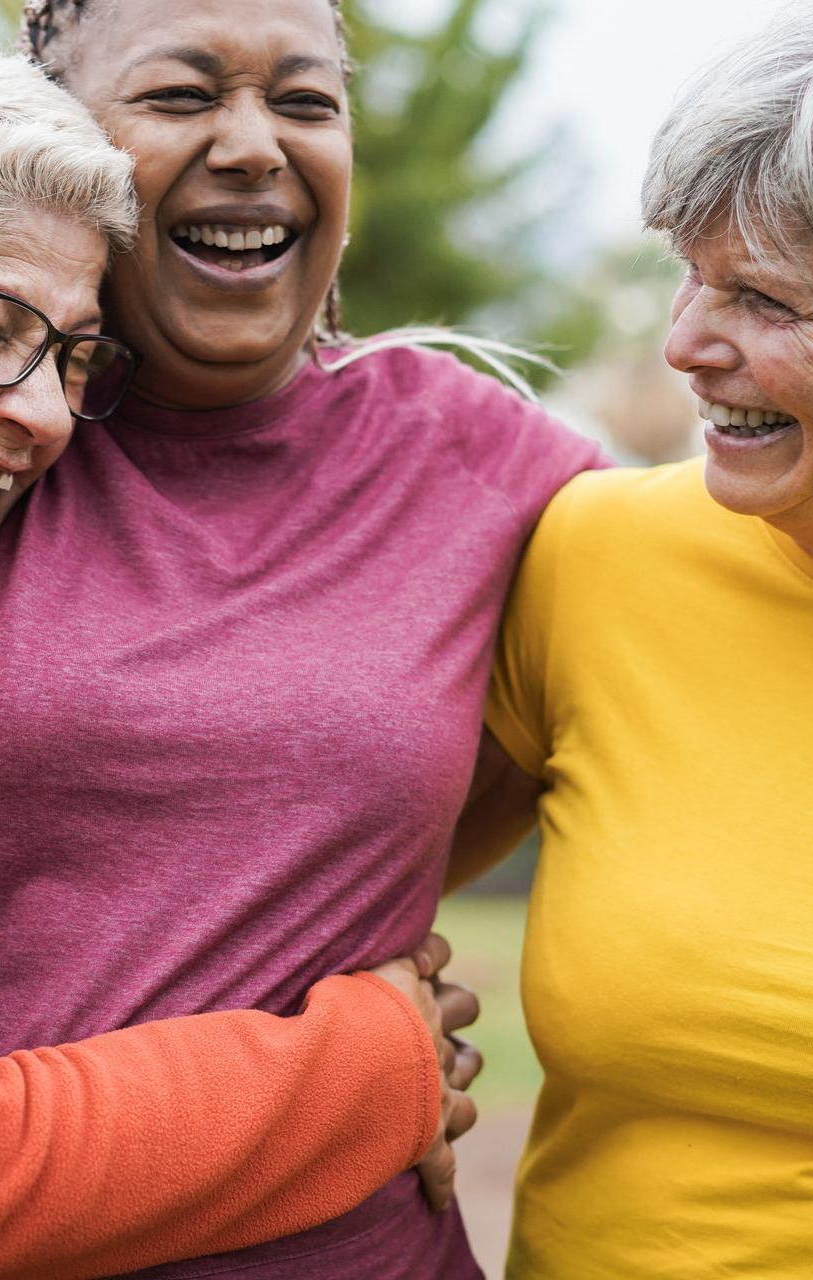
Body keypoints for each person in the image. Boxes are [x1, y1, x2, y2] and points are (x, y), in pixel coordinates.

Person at [0, 3, 606, 1277]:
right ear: (57, 138)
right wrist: (371, 1055)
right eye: (182, 99)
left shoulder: (485, 468)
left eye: (305, 103)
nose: (252, 145)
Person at [458, 10, 813, 1276]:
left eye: (762, 299)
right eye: (690, 274)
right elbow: (348, 882)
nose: (684, 346)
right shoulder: (596, 558)